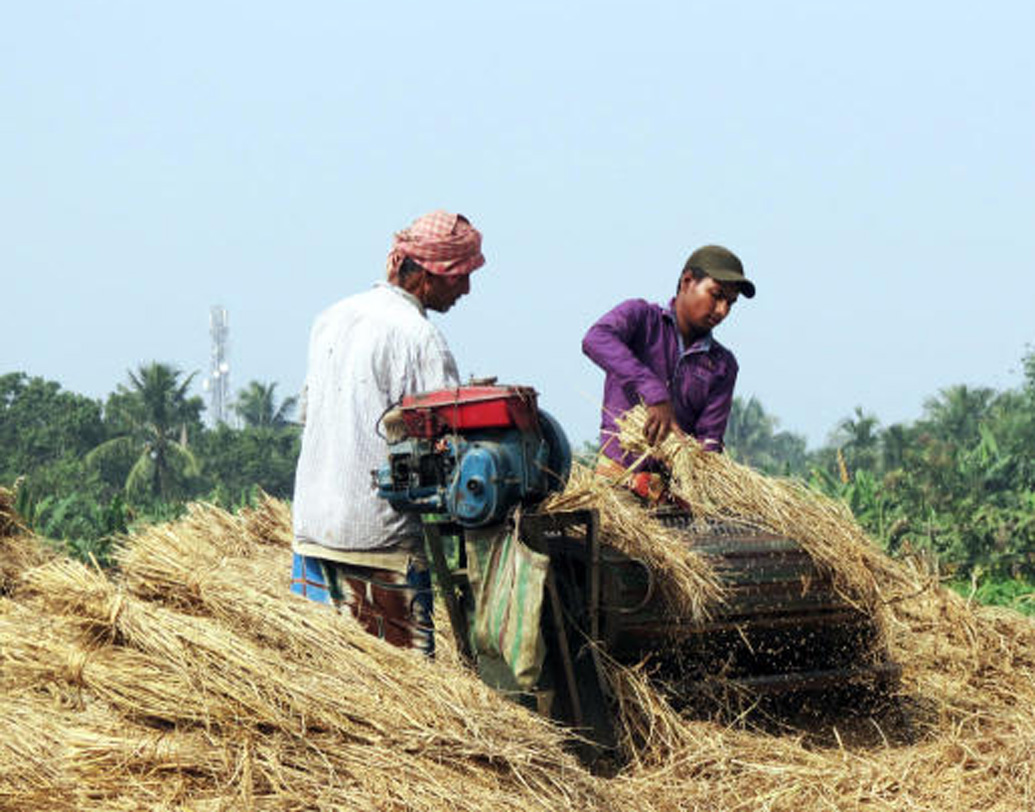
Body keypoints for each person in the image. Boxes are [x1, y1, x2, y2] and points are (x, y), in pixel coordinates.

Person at [290, 210, 485, 656]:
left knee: (320, 682)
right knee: (403, 704)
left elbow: (310, 412)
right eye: (460, 276)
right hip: (380, 544)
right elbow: (447, 438)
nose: (466, 289)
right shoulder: (419, 338)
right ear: (428, 276)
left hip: (313, 532)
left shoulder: (331, 318)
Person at [582, 245, 755, 483]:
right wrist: (654, 392)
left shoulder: (722, 365)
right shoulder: (641, 318)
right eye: (716, 295)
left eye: (731, 303)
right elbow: (595, 340)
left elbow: (710, 439)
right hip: (616, 480)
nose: (723, 310)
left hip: (672, 492)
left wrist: (694, 463)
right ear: (687, 281)